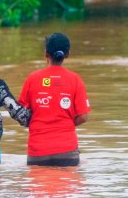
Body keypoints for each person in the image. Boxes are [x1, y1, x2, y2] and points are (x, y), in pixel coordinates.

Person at [18, 33, 90, 167]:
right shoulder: (75, 79)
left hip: (38, 150)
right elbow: (83, 117)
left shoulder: (32, 79)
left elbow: (21, 112)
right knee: (68, 187)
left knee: (38, 187)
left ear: (46, 53)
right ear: (68, 54)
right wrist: (65, 125)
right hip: (67, 150)